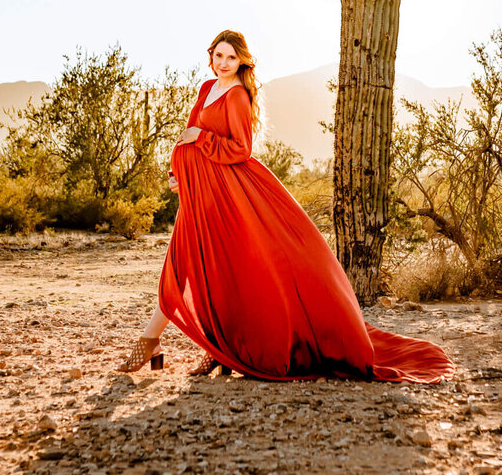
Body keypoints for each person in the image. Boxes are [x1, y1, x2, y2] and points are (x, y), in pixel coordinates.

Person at [118, 29, 454, 383]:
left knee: (202, 264)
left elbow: (239, 149)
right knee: (200, 266)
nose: (223, 63)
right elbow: (189, 130)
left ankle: (153, 341)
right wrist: (178, 174)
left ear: (242, 61)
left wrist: (202, 138)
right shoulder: (206, 89)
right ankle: (209, 350)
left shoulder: (236, 97)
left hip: (228, 194)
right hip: (200, 193)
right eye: (218, 55)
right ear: (211, 55)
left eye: (231, 58)